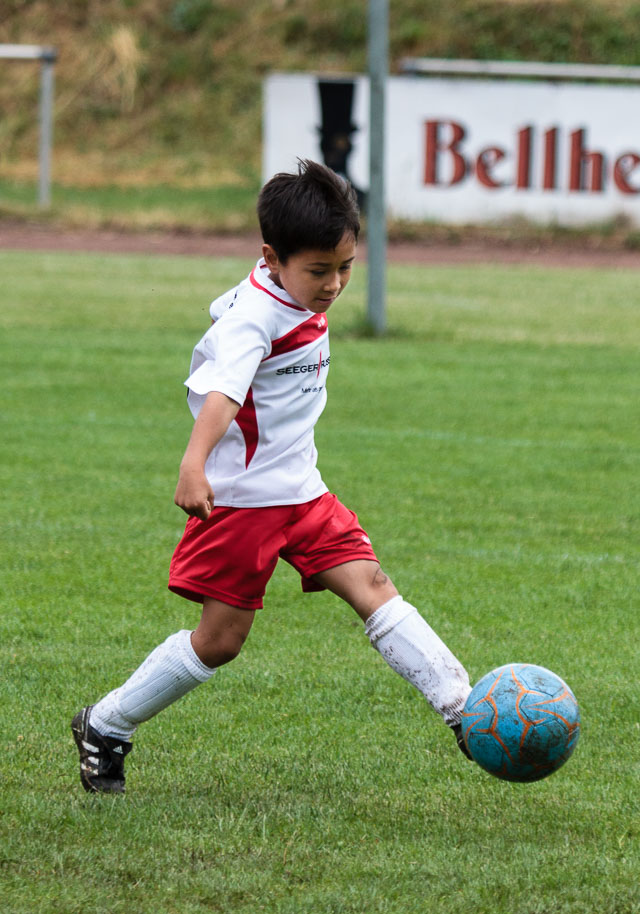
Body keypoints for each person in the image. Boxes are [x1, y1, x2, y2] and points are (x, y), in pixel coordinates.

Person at [71, 159, 473, 794]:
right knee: (220, 642)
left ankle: (468, 712)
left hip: (303, 493)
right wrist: (193, 463)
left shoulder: (290, 286)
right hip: (241, 504)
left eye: (345, 267)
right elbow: (224, 392)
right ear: (272, 257)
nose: (335, 284)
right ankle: (106, 723)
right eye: (319, 270)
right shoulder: (253, 319)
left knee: (372, 583)